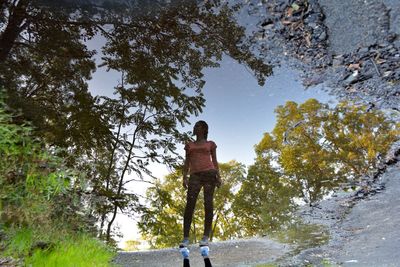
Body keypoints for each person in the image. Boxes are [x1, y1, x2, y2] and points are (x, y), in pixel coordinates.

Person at [180, 120, 222, 248]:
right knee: (189, 205)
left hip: (210, 175)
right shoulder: (189, 145)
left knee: (208, 204)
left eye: (198, 126)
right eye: (195, 126)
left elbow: (214, 160)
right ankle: (186, 238)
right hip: (195, 176)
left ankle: (205, 237)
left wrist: (219, 176)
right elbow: (187, 162)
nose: (195, 127)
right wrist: (184, 177)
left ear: (204, 129)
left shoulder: (210, 144)